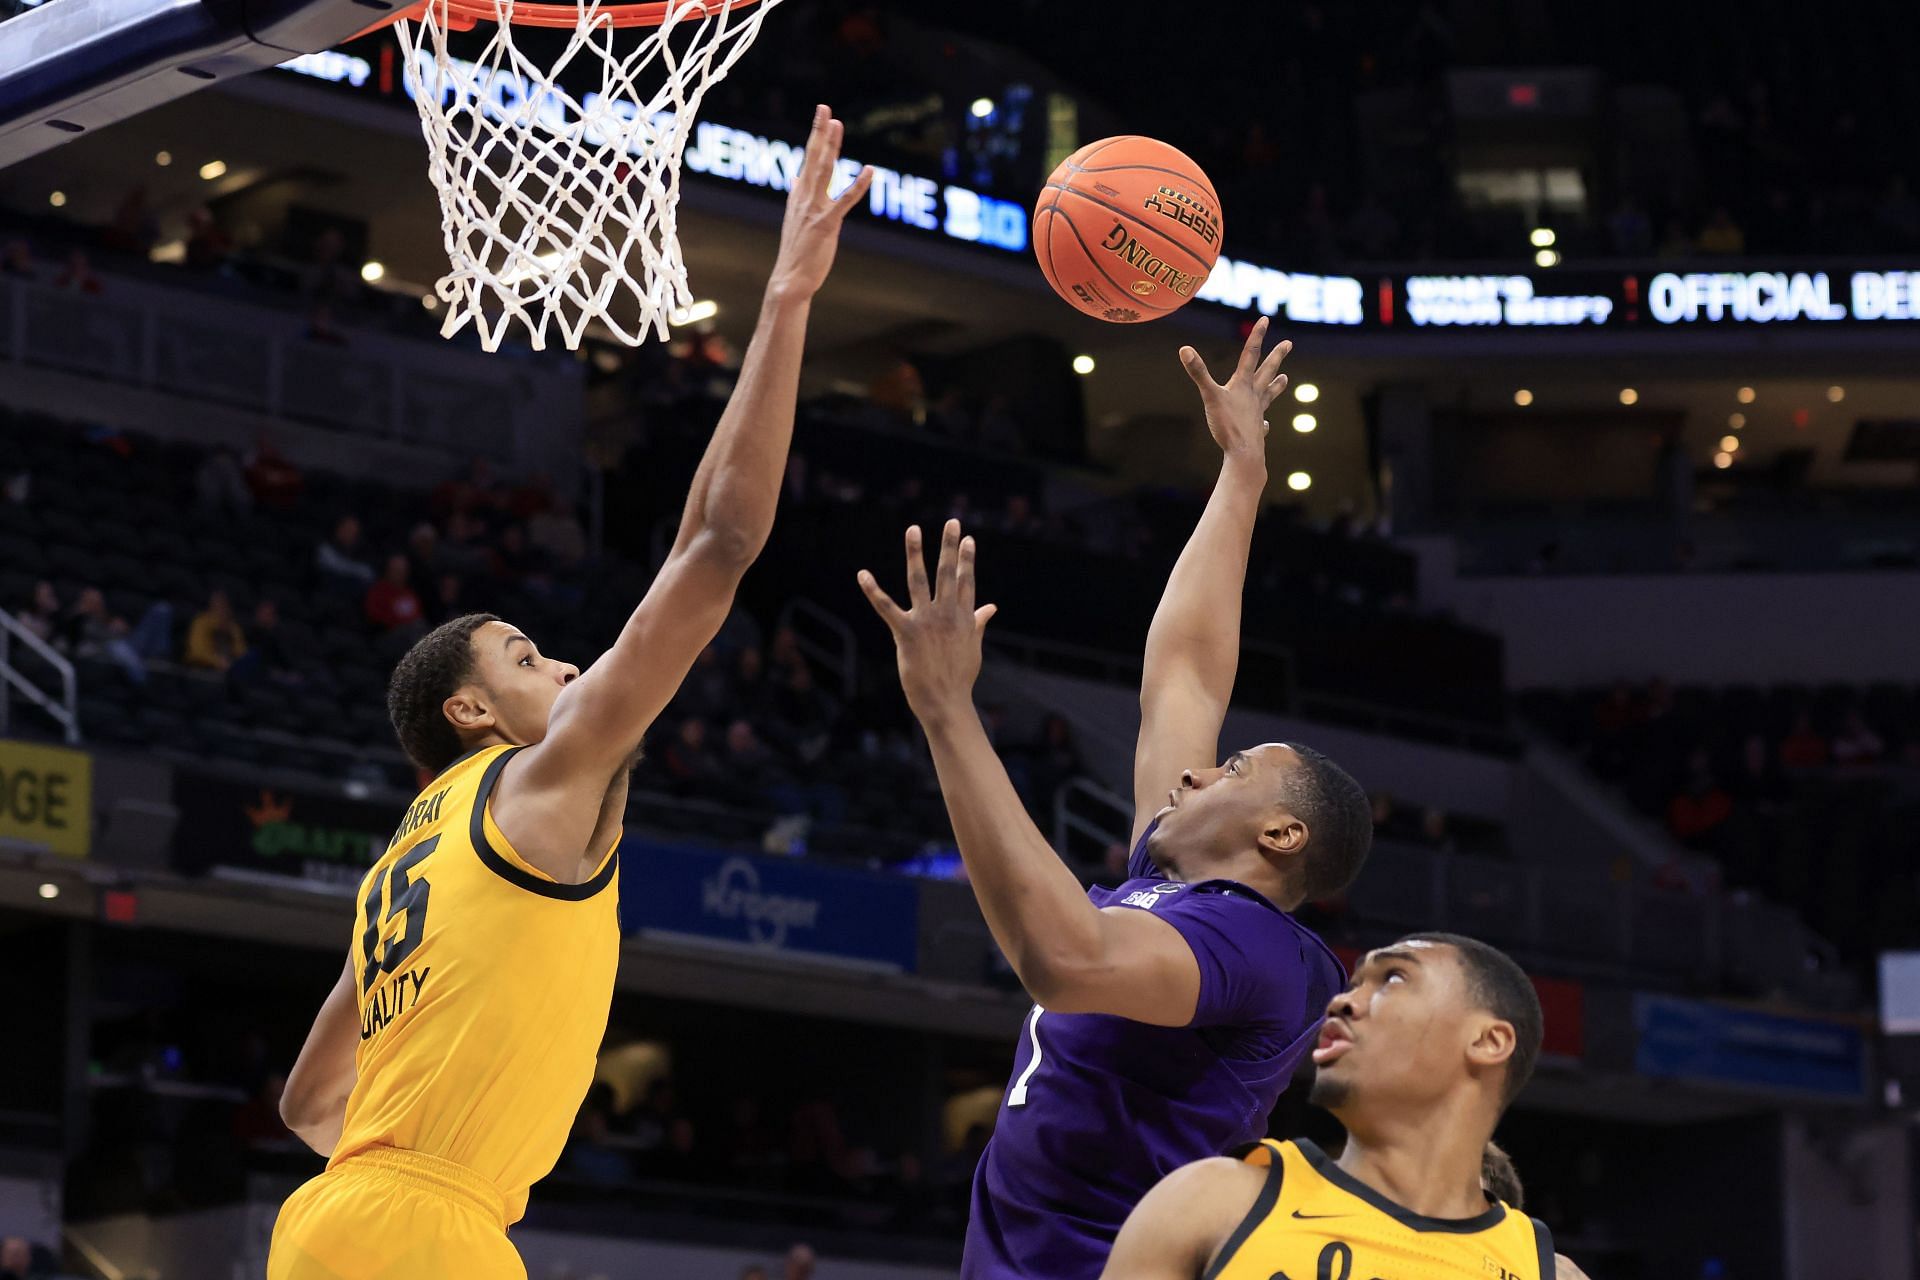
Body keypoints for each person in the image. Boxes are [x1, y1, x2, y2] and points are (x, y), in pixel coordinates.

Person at [267, 105, 872, 1280]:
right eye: (527, 656)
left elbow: (305, 1100)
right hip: (421, 1225)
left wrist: (415, 1178)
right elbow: (719, 541)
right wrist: (788, 301)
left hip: (341, 1213)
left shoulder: (403, 859)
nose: (563, 663)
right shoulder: (538, 780)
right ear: (471, 712)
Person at [856, 320, 1368, 1280]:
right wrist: (1242, 474)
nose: (1197, 769)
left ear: (1282, 833)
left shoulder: (1262, 950)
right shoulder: (1168, 884)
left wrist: (947, 714)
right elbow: (1183, 674)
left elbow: (1063, 958)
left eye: (1235, 767)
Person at [1099, 934, 1591, 1280]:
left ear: (1487, 1040)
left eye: (1393, 979)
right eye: (1354, 982)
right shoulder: (1214, 1199)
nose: (1344, 1001)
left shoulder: (1545, 1270)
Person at [184, 590, 247, 672]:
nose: (221, 607)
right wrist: (217, 661)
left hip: (228, 672)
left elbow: (241, 653)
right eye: (218, 603)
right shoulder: (202, 622)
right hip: (201, 669)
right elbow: (197, 651)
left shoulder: (233, 627)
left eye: (224, 604)